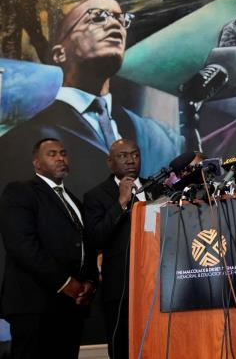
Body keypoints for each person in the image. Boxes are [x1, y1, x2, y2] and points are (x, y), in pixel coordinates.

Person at [0, 0, 185, 198]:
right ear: (60, 54)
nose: (115, 24)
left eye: (120, 19)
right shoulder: (20, 142)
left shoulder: (157, 136)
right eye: (97, 17)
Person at [0, 138, 98, 359]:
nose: (60, 158)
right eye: (52, 154)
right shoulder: (20, 191)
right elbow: (22, 246)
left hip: (71, 306)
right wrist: (65, 282)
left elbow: (87, 245)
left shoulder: (73, 199)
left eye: (63, 153)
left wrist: (89, 281)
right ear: (37, 163)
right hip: (34, 305)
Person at [83, 139, 160, 359]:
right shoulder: (96, 196)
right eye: (123, 156)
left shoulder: (155, 188)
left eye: (135, 155)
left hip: (158, 283)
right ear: (110, 162)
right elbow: (96, 237)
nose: (130, 160)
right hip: (121, 288)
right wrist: (121, 202)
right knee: (122, 347)